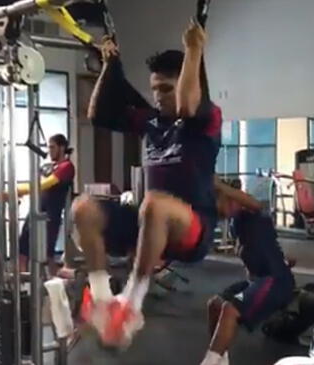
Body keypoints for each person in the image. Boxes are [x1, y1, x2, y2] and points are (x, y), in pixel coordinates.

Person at [73, 18, 222, 347]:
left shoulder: (207, 119)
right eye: (155, 90)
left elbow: (187, 105)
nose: (158, 97)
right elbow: (100, 114)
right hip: (147, 224)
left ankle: (131, 303)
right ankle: (102, 298)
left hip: (191, 228)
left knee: (154, 203)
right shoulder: (152, 121)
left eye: (165, 89)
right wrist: (110, 63)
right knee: (84, 207)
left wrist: (194, 49)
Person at [201, 179, 295, 365]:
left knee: (229, 310)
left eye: (224, 202)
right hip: (259, 281)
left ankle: (209, 362)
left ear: (234, 199)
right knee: (215, 304)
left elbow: (255, 203)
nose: (220, 210)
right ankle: (221, 359)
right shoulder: (237, 224)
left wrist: (218, 184)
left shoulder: (253, 214)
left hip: (276, 281)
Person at [17, 134, 75, 276]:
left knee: (47, 254)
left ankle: (53, 286)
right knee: (23, 248)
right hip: (36, 210)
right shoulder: (48, 166)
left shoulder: (67, 167)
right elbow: (38, 184)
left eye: (52, 147)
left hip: (50, 214)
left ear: (62, 148)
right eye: (48, 147)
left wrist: (18, 190)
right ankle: (23, 285)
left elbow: (45, 184)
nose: (49, 151)